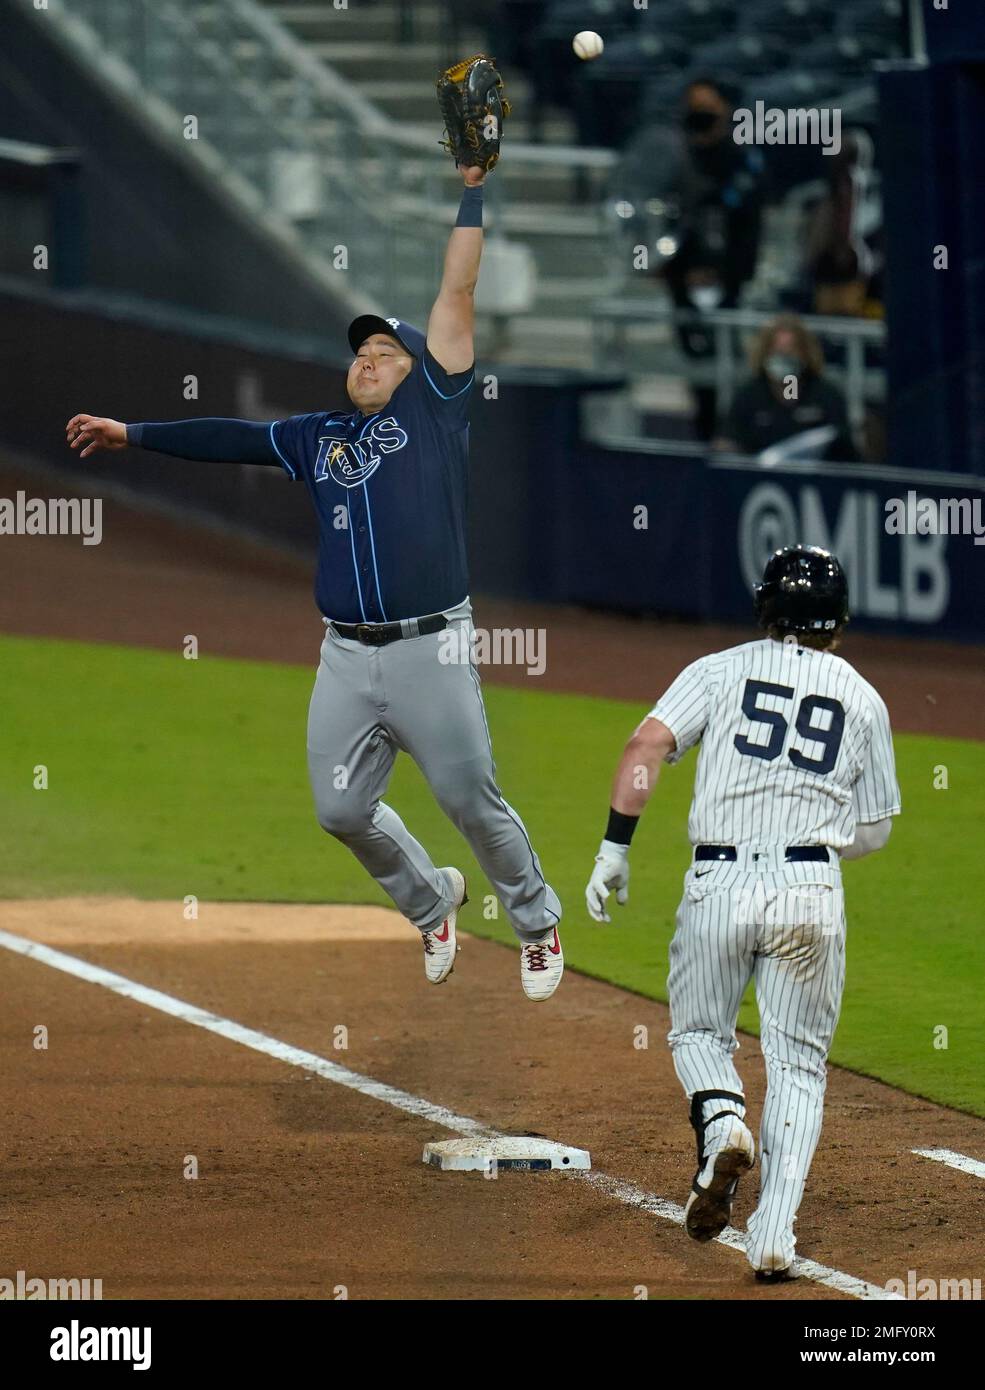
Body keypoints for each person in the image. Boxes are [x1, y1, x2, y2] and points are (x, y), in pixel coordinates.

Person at [65, 164, 564, 1003]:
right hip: (344, 656)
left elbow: (458, 287)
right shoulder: (316, 435)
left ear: (417, 368)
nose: (368, 359)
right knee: (339, 811)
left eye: (384, 351)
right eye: (359, 351)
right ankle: (432, 901)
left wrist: (472, 189)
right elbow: (231, 437)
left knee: (470, 799)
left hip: (428, 648)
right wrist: (133, 433)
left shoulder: (434, 408)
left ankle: (536, 923)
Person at [584, 545, 900, 1281]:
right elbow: (877, 828)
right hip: (809, 893)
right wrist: (813, 844)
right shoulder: (862, 696)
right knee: (797, 1064)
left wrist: (613, 848)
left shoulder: (717, 670)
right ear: (838, 619)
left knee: (697, 1032)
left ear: (765, 609)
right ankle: (773, 1236)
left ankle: (722, 1118)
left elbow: (645, 747)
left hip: (717, 884)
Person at [715, 314, 858, 460]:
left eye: (790, 351)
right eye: (777, 352)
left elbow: (846, 449)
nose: (783, 358)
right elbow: (727, 441)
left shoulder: (826, 396)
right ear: (765, 354)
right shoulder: (748, 396)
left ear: (805, 353)